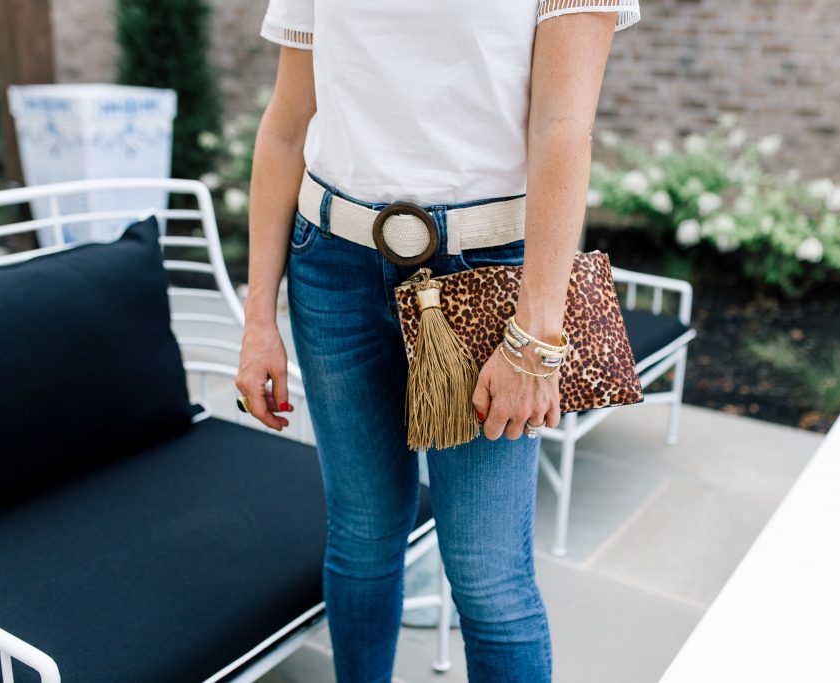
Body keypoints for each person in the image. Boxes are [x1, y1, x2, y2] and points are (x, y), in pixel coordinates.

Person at [235, 1, 641, 680]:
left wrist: (535, 337)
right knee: (360, 539)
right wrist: (256, 320)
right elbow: (284, 125)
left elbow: (563, 126)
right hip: (330, 265)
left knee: (487, 576)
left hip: (486, 277)